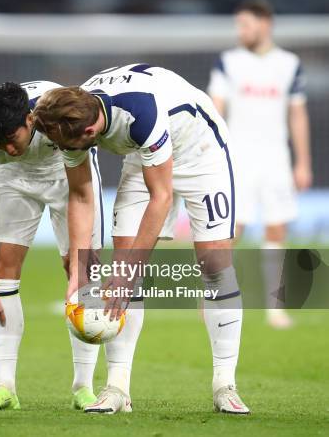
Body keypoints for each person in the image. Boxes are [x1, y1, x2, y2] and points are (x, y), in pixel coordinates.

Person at [33, 63, 249, 414]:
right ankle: (117, 388)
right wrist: (78, 270)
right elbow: (82, 196)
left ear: (91, 131)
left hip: (200, 151)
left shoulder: (139, 111)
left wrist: (127, 273)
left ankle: (225, 384)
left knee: (215, 265)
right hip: (143, 155)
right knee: (121, 263)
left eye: (64, 146)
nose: (60, 150)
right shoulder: (68, 121)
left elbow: (160, 197)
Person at [0, 81, 103, 411]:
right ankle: (4, 387)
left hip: (67, 172)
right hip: (13, 181)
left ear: (30, 121)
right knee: (3, 274)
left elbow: (83, 186)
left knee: (83, 269)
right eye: (0, 143)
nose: (9, 149)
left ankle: (84, 387)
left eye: (12, 140)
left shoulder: (59, 118)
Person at [208, 0, 312, 329]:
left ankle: (275, 308)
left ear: (265, 24)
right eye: (239, 25)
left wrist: (303, 162)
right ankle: (214, 297)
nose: (241, 31)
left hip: (276, 159)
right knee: (230, 230)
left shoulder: (289, 63)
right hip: (239, 157)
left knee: (277, 229)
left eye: (246, 24)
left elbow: (297, 113)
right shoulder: (228, 62)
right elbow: (216, 107)